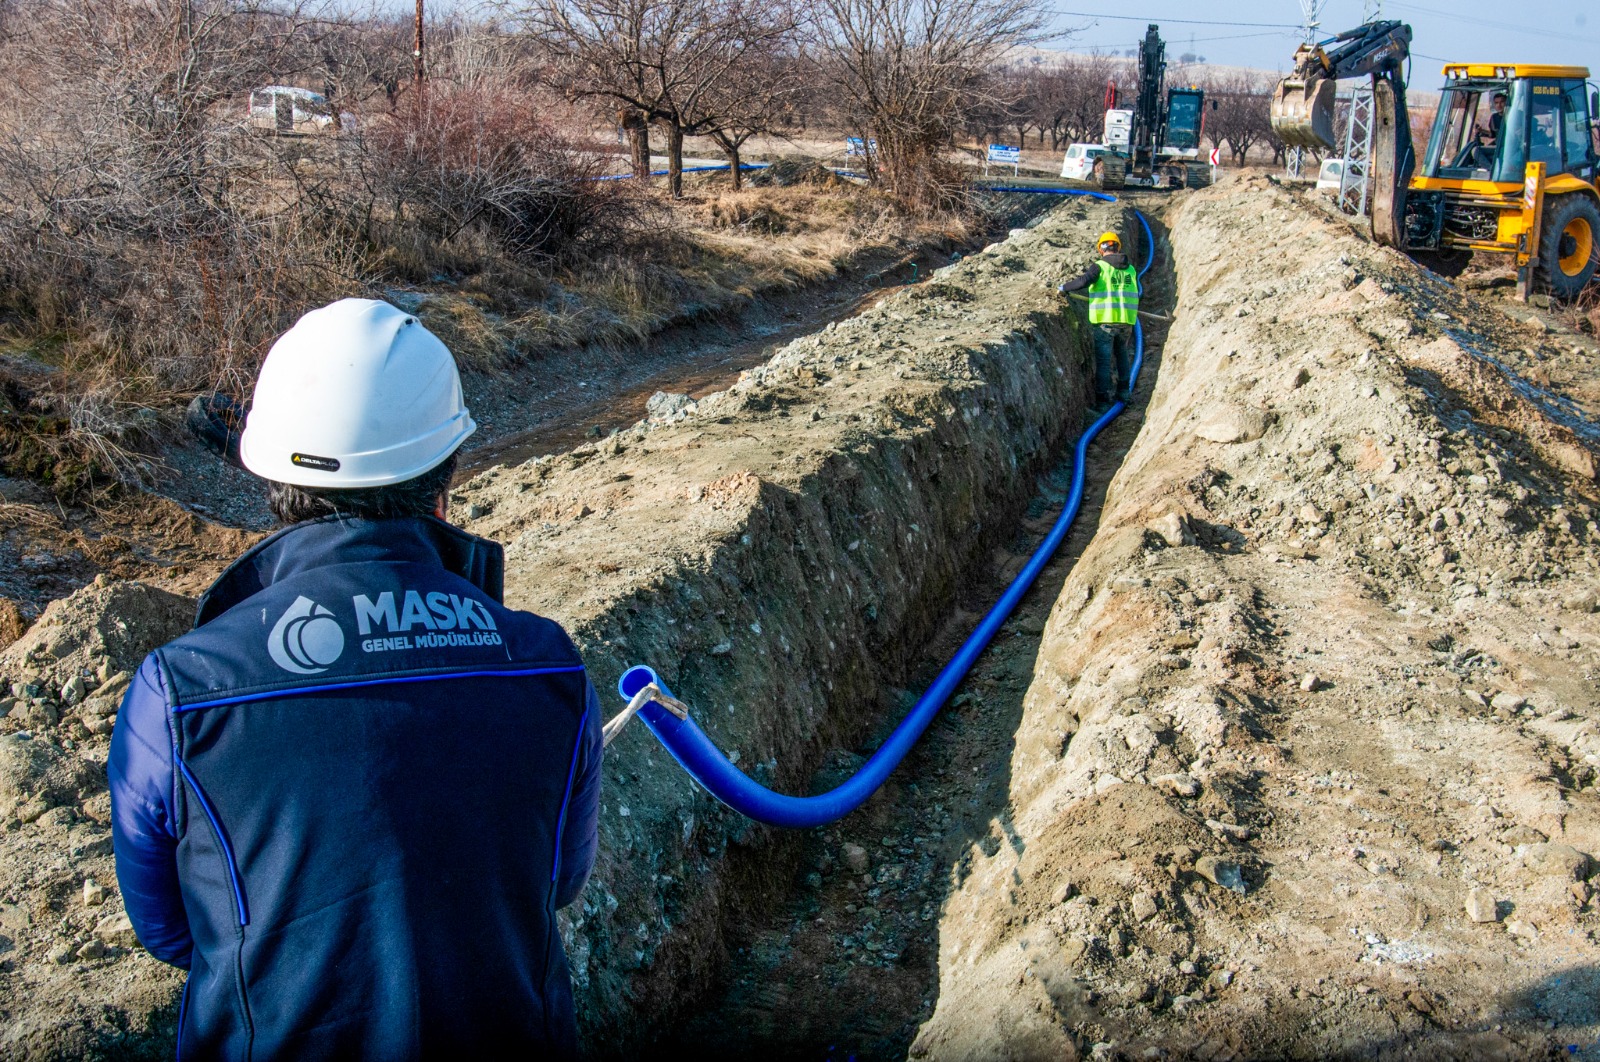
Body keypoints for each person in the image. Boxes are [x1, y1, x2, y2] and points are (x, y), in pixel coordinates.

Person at [109, 298, 603, 1059]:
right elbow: (557, 882)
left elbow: (172, 930)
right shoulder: (546, 664)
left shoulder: (181, 692)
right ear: (445, 480)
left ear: (271, 481)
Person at [1058, 231, 1141, 411]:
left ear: (1101, 249)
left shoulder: (1100, 267)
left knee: (1104, 363)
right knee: (1122, 357)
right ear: (1118, 247)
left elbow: (1083, 281)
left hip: (1105, 323)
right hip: (1126, 322)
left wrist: (1063, 288)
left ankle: (1103, 402)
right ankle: (1124, 393)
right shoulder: (1131, 269)